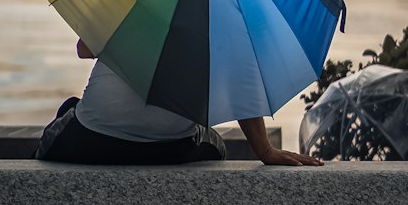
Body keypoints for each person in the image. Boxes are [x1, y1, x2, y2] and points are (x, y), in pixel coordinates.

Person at [36, 38, 322, 166]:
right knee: (215, 144)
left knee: (67, 112)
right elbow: (241, 88)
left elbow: (82, 49)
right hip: (170, 147)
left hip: (92, 139)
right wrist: (265, 150)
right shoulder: (226, 19)